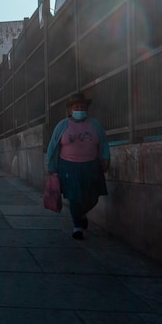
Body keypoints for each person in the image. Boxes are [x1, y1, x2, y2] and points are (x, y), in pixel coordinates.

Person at [46, 92, 110, 240]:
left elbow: (104, 142)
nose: (80, 109)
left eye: (82, 107)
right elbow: (53, 146)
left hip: (92, 166)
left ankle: (81, 213)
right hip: (69, 167)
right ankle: (77, 227)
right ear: (70, 110)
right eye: (76, 107)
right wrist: (51, 166)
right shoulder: (62, 126)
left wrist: (106, 157)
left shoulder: (95, 125)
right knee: (74, 197)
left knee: (93, 197)